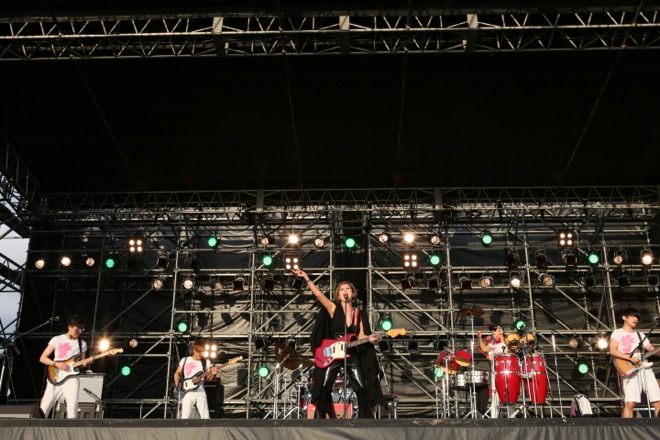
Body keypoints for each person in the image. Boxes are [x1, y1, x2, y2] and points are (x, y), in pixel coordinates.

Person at [293, 269, 385, 419]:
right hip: (333, 353)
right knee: (324, 387)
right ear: (338, 294)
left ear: (353, 294)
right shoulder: (333, 309)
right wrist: (307, 279)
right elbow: (319, 295)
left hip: (351, 353)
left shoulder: (359, 314)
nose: (344, 291)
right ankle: (319, 418)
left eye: (347, 288)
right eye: (341, 289)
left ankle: (365, 420)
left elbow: (361, 336)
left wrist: (371, 338)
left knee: (361, 387)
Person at [39, 314, 94, 418]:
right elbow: (43, 358)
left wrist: (88, 362)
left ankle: (72, 427)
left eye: (82, 329)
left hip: (72, 378)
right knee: (44, 407)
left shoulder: (82, 344)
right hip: (56, 376)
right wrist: (56, 364)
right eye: (78, 329)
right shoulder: (57, 339)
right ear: (70, 327)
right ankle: (36, 426)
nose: (80, 332)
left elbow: (82, 364)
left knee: (72, 408)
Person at [609, 307, 660, 418]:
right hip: (629, 367)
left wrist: (657, 351)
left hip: (645, 367)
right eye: (632, 316)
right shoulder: (617, 333)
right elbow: (613, 350)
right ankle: (625, 428)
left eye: (637, 317)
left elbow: (651, 349)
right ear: (624, 317)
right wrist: (630, 358)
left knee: (658, 401)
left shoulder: (640, 335)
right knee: (630, 403)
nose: (635, 319)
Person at [173, 339, 219, 419]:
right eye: (200, 352)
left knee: (205, 417)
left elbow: (208, 378)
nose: (202, 354)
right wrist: (177, 383)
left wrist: (213, 374)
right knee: (185, 417)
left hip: (200, 391)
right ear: (194, 350)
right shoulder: (185, 360)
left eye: (203, 352)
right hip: (187, 392)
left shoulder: (206, 361)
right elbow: (177, 373)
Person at [477, 323, 511, 418]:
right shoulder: (493, 344)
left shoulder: (507, 342)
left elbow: (510, 353)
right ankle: (494, 416)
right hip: (496, 372)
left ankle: (511, 415)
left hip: (507, 371)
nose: (492, 332)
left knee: (509, 392)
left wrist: (495, 357)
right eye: (492, 330)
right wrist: (479, 338)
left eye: (494, 330)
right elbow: (484, 348)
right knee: (495, 393)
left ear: (501, 331)